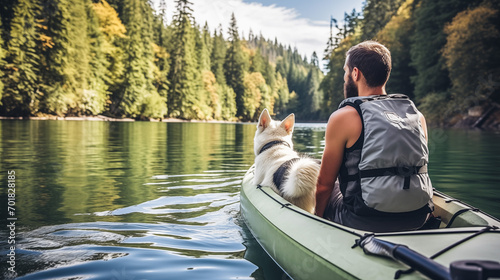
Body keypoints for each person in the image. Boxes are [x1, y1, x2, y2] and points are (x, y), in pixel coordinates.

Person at [315, 41, 434, 232]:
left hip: (363, 220)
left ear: (355, 73)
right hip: (419, 217)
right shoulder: (417, 116)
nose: (345, 77)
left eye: (345, 72)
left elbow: (324, 186)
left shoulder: (344, 117)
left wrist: (315, 221)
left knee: (328, 184)